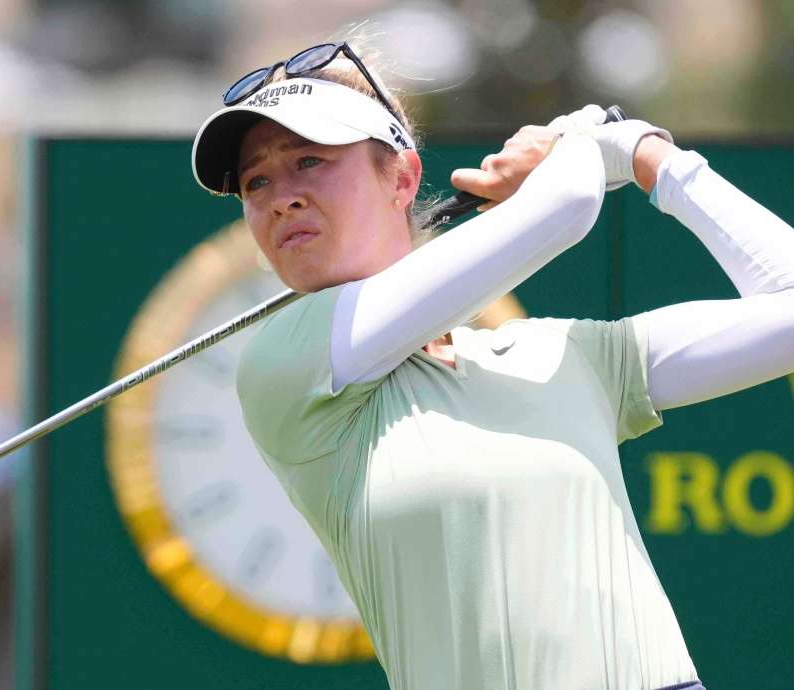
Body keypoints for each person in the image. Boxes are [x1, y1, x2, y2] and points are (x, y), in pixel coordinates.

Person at [190, 37, 794, 690]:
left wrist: (648, 154)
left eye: (310, 160)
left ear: (402, 177)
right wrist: (584, 145)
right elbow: (564, 207)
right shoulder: (286, 359)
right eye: (257, 181)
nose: (282, 197)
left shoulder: (556, 354)